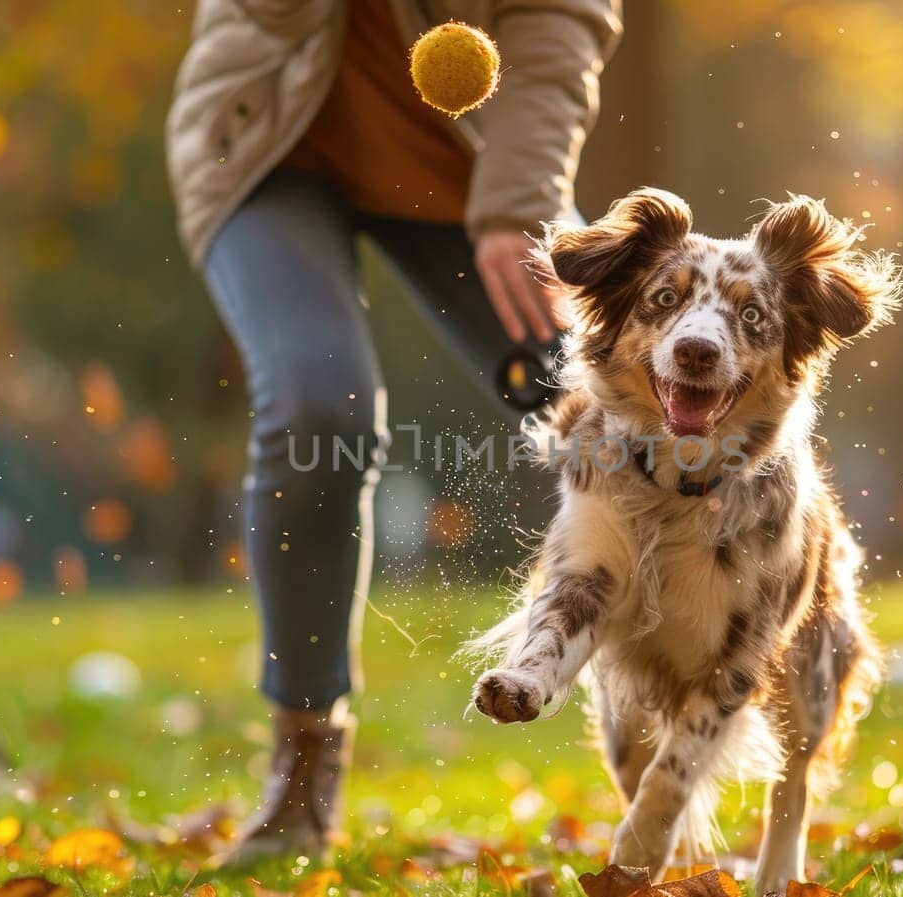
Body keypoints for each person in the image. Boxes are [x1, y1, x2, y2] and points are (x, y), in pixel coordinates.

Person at [165, 0, 622, 860]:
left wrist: (518, 204)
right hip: (264, 139)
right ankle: (303, 766)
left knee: (615, 411)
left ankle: (718, 689)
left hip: (468, 161)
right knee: (317, 412)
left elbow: (560, 21)